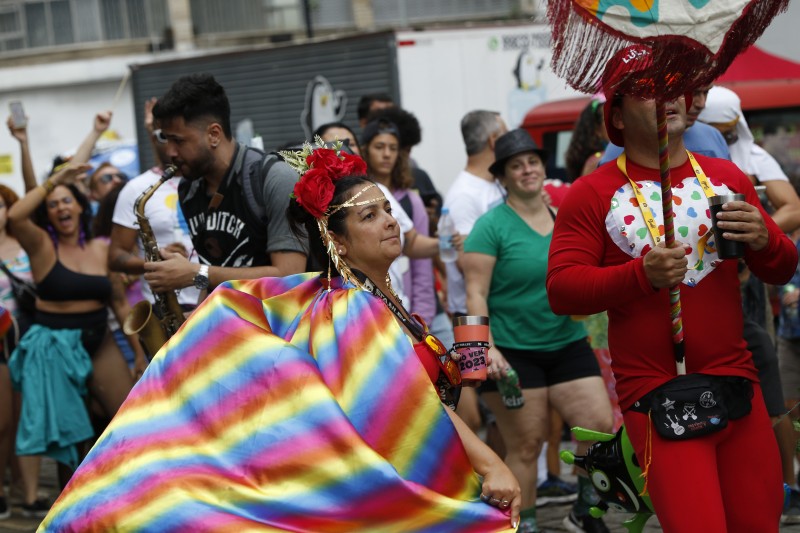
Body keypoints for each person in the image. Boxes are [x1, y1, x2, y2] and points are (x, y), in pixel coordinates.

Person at [40, 146, 521, 532]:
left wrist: (469, 359)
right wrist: (491, 464)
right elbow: (412, 400)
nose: (390, 221)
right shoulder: (352, 308)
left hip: (424, 468)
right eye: (368, 216)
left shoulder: (379, 300)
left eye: (386, 210)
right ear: (337, 241)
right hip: (396, 484)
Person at [547, 44, 797, 532]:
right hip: (657, 395)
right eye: (648, 89)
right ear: (617, 116)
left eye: (675, 86)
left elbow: (782, 268)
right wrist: (641, 275)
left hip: (737, 383)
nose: (669, 97)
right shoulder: (591, 193)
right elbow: (562, 290)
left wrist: (766, 240)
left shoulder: (727, 178)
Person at [464, 128, 613, 533]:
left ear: (543, 168)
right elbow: (475, 292)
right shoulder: (489, 227)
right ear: (503, 176)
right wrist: (486, 347)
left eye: (533, 162)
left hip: (567, 342)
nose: (527, 170)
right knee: (527, 444)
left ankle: (584, 512)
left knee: (598, 425)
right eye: (517, 165)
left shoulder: (563, 217)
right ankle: (522, 525)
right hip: (512, 353)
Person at [7, 163, 136, 516]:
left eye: (67, 201)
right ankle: (74, 512)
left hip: (101, 340)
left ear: (81, 206)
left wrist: (139, 354)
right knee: (72, 436)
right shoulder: (41, 245)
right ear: (48, 214)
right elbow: (16, 215)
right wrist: (53, 182)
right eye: (53, 204)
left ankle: (129, 499)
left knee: (126, 419)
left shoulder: (101, 247)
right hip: (56, 345)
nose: (61, 208)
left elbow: (120, 303)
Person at [146, 73, 307, 296]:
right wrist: (196, 315)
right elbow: (213, 274)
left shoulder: (275, 177)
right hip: (232, 316)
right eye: (166, 139)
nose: (170, 152)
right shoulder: (189, 189)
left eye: (178, 141)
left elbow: (290, 276)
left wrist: (195, 274)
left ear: (214, 134)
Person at [109, 99, 201, 354]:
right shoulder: (136, 189)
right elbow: (115, 256)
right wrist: (155, 263)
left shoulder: (209, 181)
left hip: (211, 301)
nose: (170, 146)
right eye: (161, 135)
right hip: (166, 309)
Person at [443, 110, 507, 436]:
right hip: (471, 320)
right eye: (505, 133)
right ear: (494, 140)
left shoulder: (495, 185)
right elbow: (464, 262)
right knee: (483, 418)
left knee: (507, 420)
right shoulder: (464, 195)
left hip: (500, 313)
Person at [361, 118, 435, 325]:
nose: (387, 154)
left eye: (393, 148)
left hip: (407, 308)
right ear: (365, 150)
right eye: (379, 147)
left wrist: (422, 316)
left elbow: (419, 260)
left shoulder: (411, 199)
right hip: (369, 308)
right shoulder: (353, 195)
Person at [699, 85, 800, 234]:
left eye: (726, 133)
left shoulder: (753, 155)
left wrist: (752, 232)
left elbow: (794, 210)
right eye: (711, 133)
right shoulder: (678, 155)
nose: (719, 140)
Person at [598, 82, 729, 164]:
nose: (701, 104)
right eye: (694, 92)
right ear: (619, 118)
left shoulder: (713, 137)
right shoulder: (619, 153)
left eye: (706, 92)